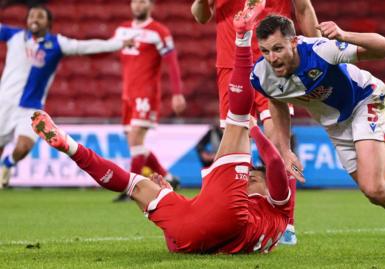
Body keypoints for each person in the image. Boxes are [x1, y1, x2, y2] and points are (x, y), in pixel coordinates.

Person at [30, 1, 295, 253]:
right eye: (253, 176)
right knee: (135, 185)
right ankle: (69, 144)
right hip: (196, 232)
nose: (251, 176)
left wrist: (252, 129)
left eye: (255, 179)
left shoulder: (270, 206)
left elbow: (272, 162)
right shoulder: (278, 211)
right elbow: (272, 164)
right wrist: (169, 199)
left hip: (226, 218)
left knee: (237, 120)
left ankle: (242, 36)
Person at [249, 14, 385, 259]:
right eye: (265, 51)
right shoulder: (261, 74)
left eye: (278, 49)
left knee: (375, 186)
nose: (272, 58)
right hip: (337, 124)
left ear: (293, 42)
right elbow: (277, 104)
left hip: (366, 100)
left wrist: (344, 35)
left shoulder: (321, 51)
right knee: (375, 190)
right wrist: (285, 149)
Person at [191, 0, 319, 245]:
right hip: (231, 65)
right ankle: (229, 220)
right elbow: (200, 16)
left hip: (272, 63)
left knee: (279, 144)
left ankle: (286, 223)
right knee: (232, 151)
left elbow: (303, 9)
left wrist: (320, 52)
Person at [0, 5, 132, 188]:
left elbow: (85, 47)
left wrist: (118, 43)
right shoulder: (14, 36)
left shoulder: (57, 44)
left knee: (23, 147)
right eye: (31, 16)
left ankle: (8, 164)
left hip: (31, 106)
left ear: (49, 23)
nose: (34, 19)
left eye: (40, 16)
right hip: (4, 103)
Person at [112, 0, 186, 201]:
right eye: (135, 1)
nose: (138, 5)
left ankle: (131, 188)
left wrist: (177, 93)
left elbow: (172, 63)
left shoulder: (159, 32)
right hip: (128, 94)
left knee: (136, 139)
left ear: (151, 5)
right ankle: (170, 178)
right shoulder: (121, 30)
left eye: (143, 2)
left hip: (147, 93)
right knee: (135, 144)